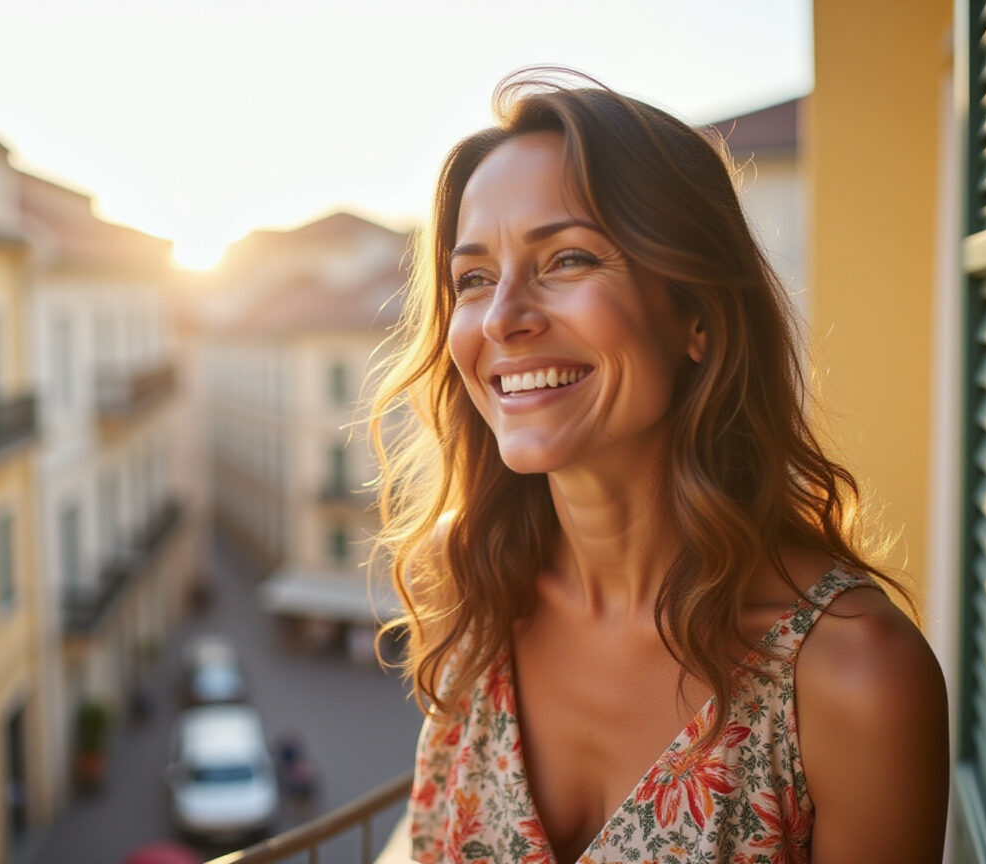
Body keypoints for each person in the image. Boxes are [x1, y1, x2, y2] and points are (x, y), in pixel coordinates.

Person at [368, 69, 949, 864]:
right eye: (473, 278)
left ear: (698, 316)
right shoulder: (481, 601)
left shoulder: (853, 678)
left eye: (567, 258)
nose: (502, 318)